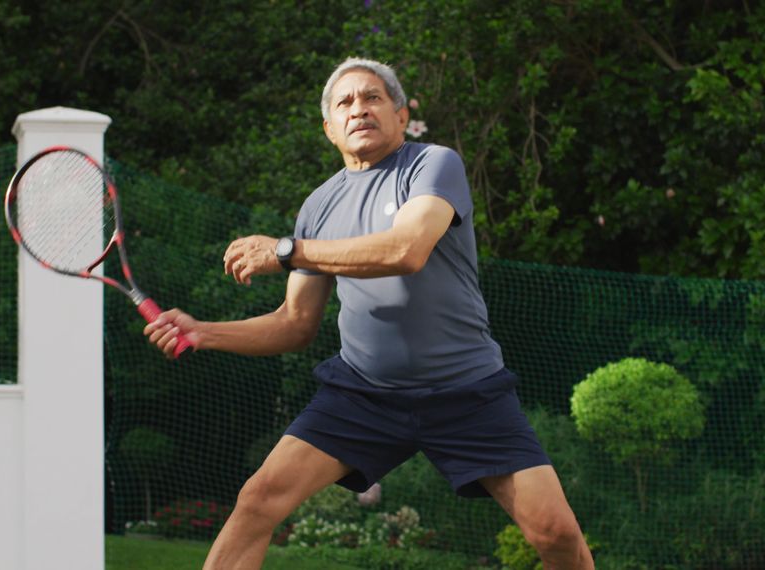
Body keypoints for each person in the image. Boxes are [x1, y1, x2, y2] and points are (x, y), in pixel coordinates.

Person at [144, 57, 594, 570]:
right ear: (329, 128)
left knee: (556, 534)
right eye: (345, 102)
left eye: (373, 97)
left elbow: (406, 250)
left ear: (400, 116)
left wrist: (288, 251)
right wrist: (202, 331)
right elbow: (294, 324)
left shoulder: (432, 165)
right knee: (257, 500)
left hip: (467, 391)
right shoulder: (318, 206)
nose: (359, 108)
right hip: (362, 395)